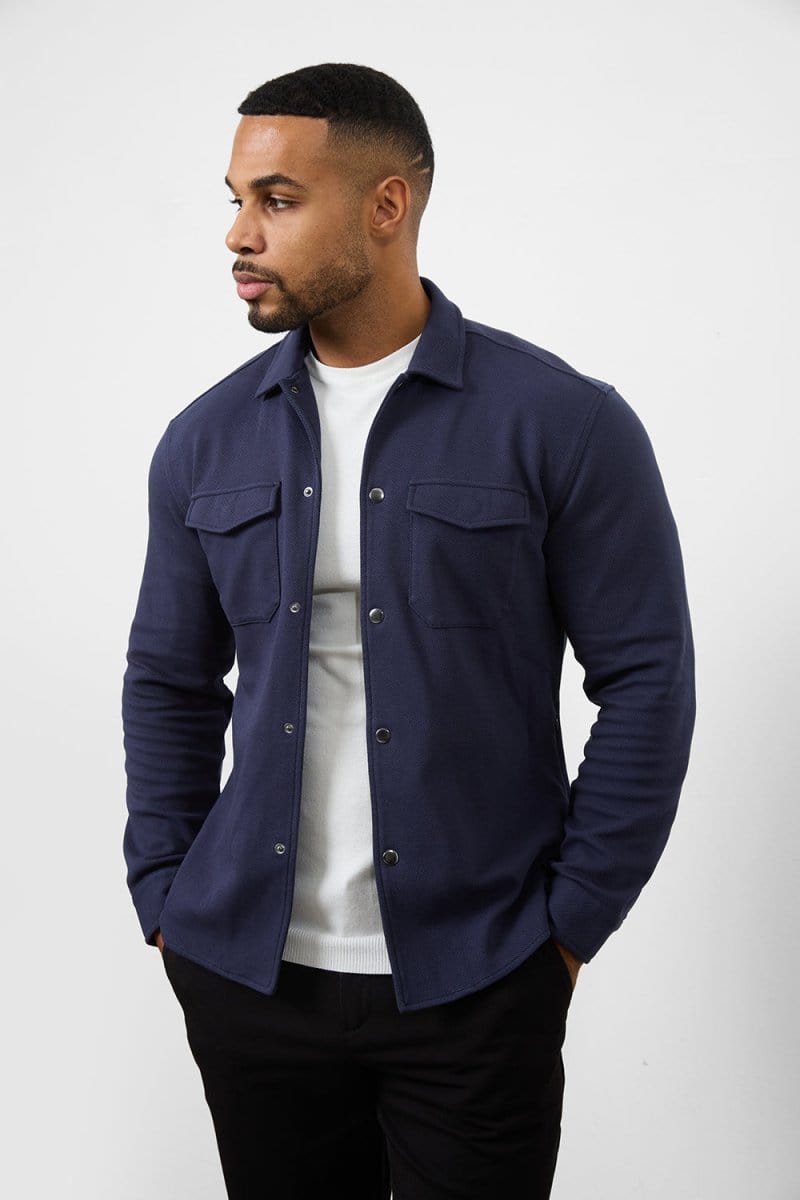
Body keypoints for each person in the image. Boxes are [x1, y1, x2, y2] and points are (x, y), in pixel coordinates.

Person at [121, 61, 695, 1200]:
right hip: (248, 980)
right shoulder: (204, 440)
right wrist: (164, 897)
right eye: (236, 200)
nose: (239, 233)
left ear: (387, 205)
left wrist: (569, 925)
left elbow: (646, 678)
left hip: (479, 979)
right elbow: (167, 680)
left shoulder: (563, 424)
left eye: (278, 200)